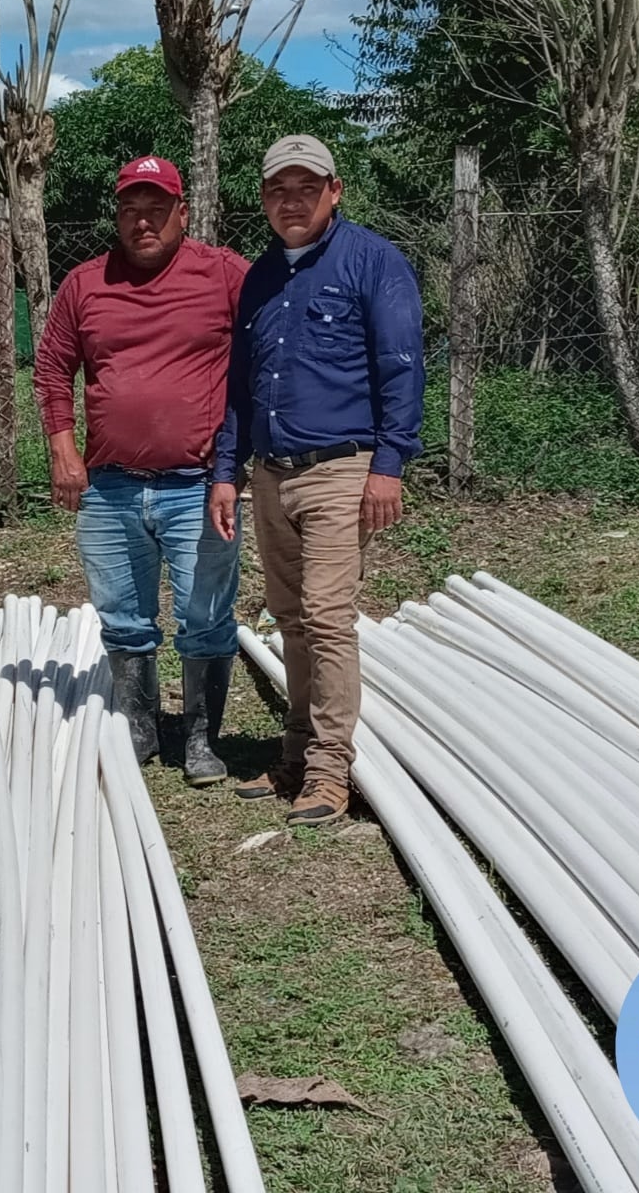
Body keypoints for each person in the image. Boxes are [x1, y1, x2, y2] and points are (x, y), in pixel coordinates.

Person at [210, 134, 424, 827]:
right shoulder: (261, 277)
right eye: (278, 190)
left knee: (329, 619)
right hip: (272, 475)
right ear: (264, 198)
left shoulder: (372, 262)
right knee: (292, 618)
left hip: (341, 468)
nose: (291, 201)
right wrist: (226, 470)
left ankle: (331, 772)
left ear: (335, 191)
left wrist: (389, 465)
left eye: (306, 188)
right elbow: (240, 384)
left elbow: (401, 367)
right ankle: (296, 756)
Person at [34, 156, 250, 784]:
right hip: (110, 485)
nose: (143, 221)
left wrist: (239, 460)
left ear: (183, 212)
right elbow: (52, 368)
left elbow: (269, 348)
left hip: (199, 485)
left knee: (204, 613)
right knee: (123, 615)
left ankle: (203, 737)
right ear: (118, 215)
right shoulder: (85, 284)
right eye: (131, 209)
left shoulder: (224, 275)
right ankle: (140, 724)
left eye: (157, 208)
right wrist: (62, 447)